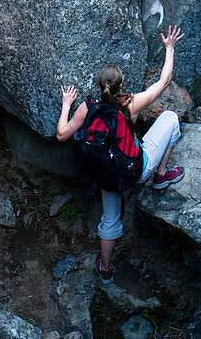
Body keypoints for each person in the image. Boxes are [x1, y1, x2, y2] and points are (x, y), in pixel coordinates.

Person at [56, 25, 185, 285]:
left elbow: (61, 134)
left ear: (98, 85)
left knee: (109, 218)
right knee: (170, 118)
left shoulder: (86, 107)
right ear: (121, 85)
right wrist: (169, 48)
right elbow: (163, 81)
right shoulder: (130, 104)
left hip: (105, 175)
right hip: (135, 169)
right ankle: (160, 175)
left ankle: (105, 269)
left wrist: (67, 104)